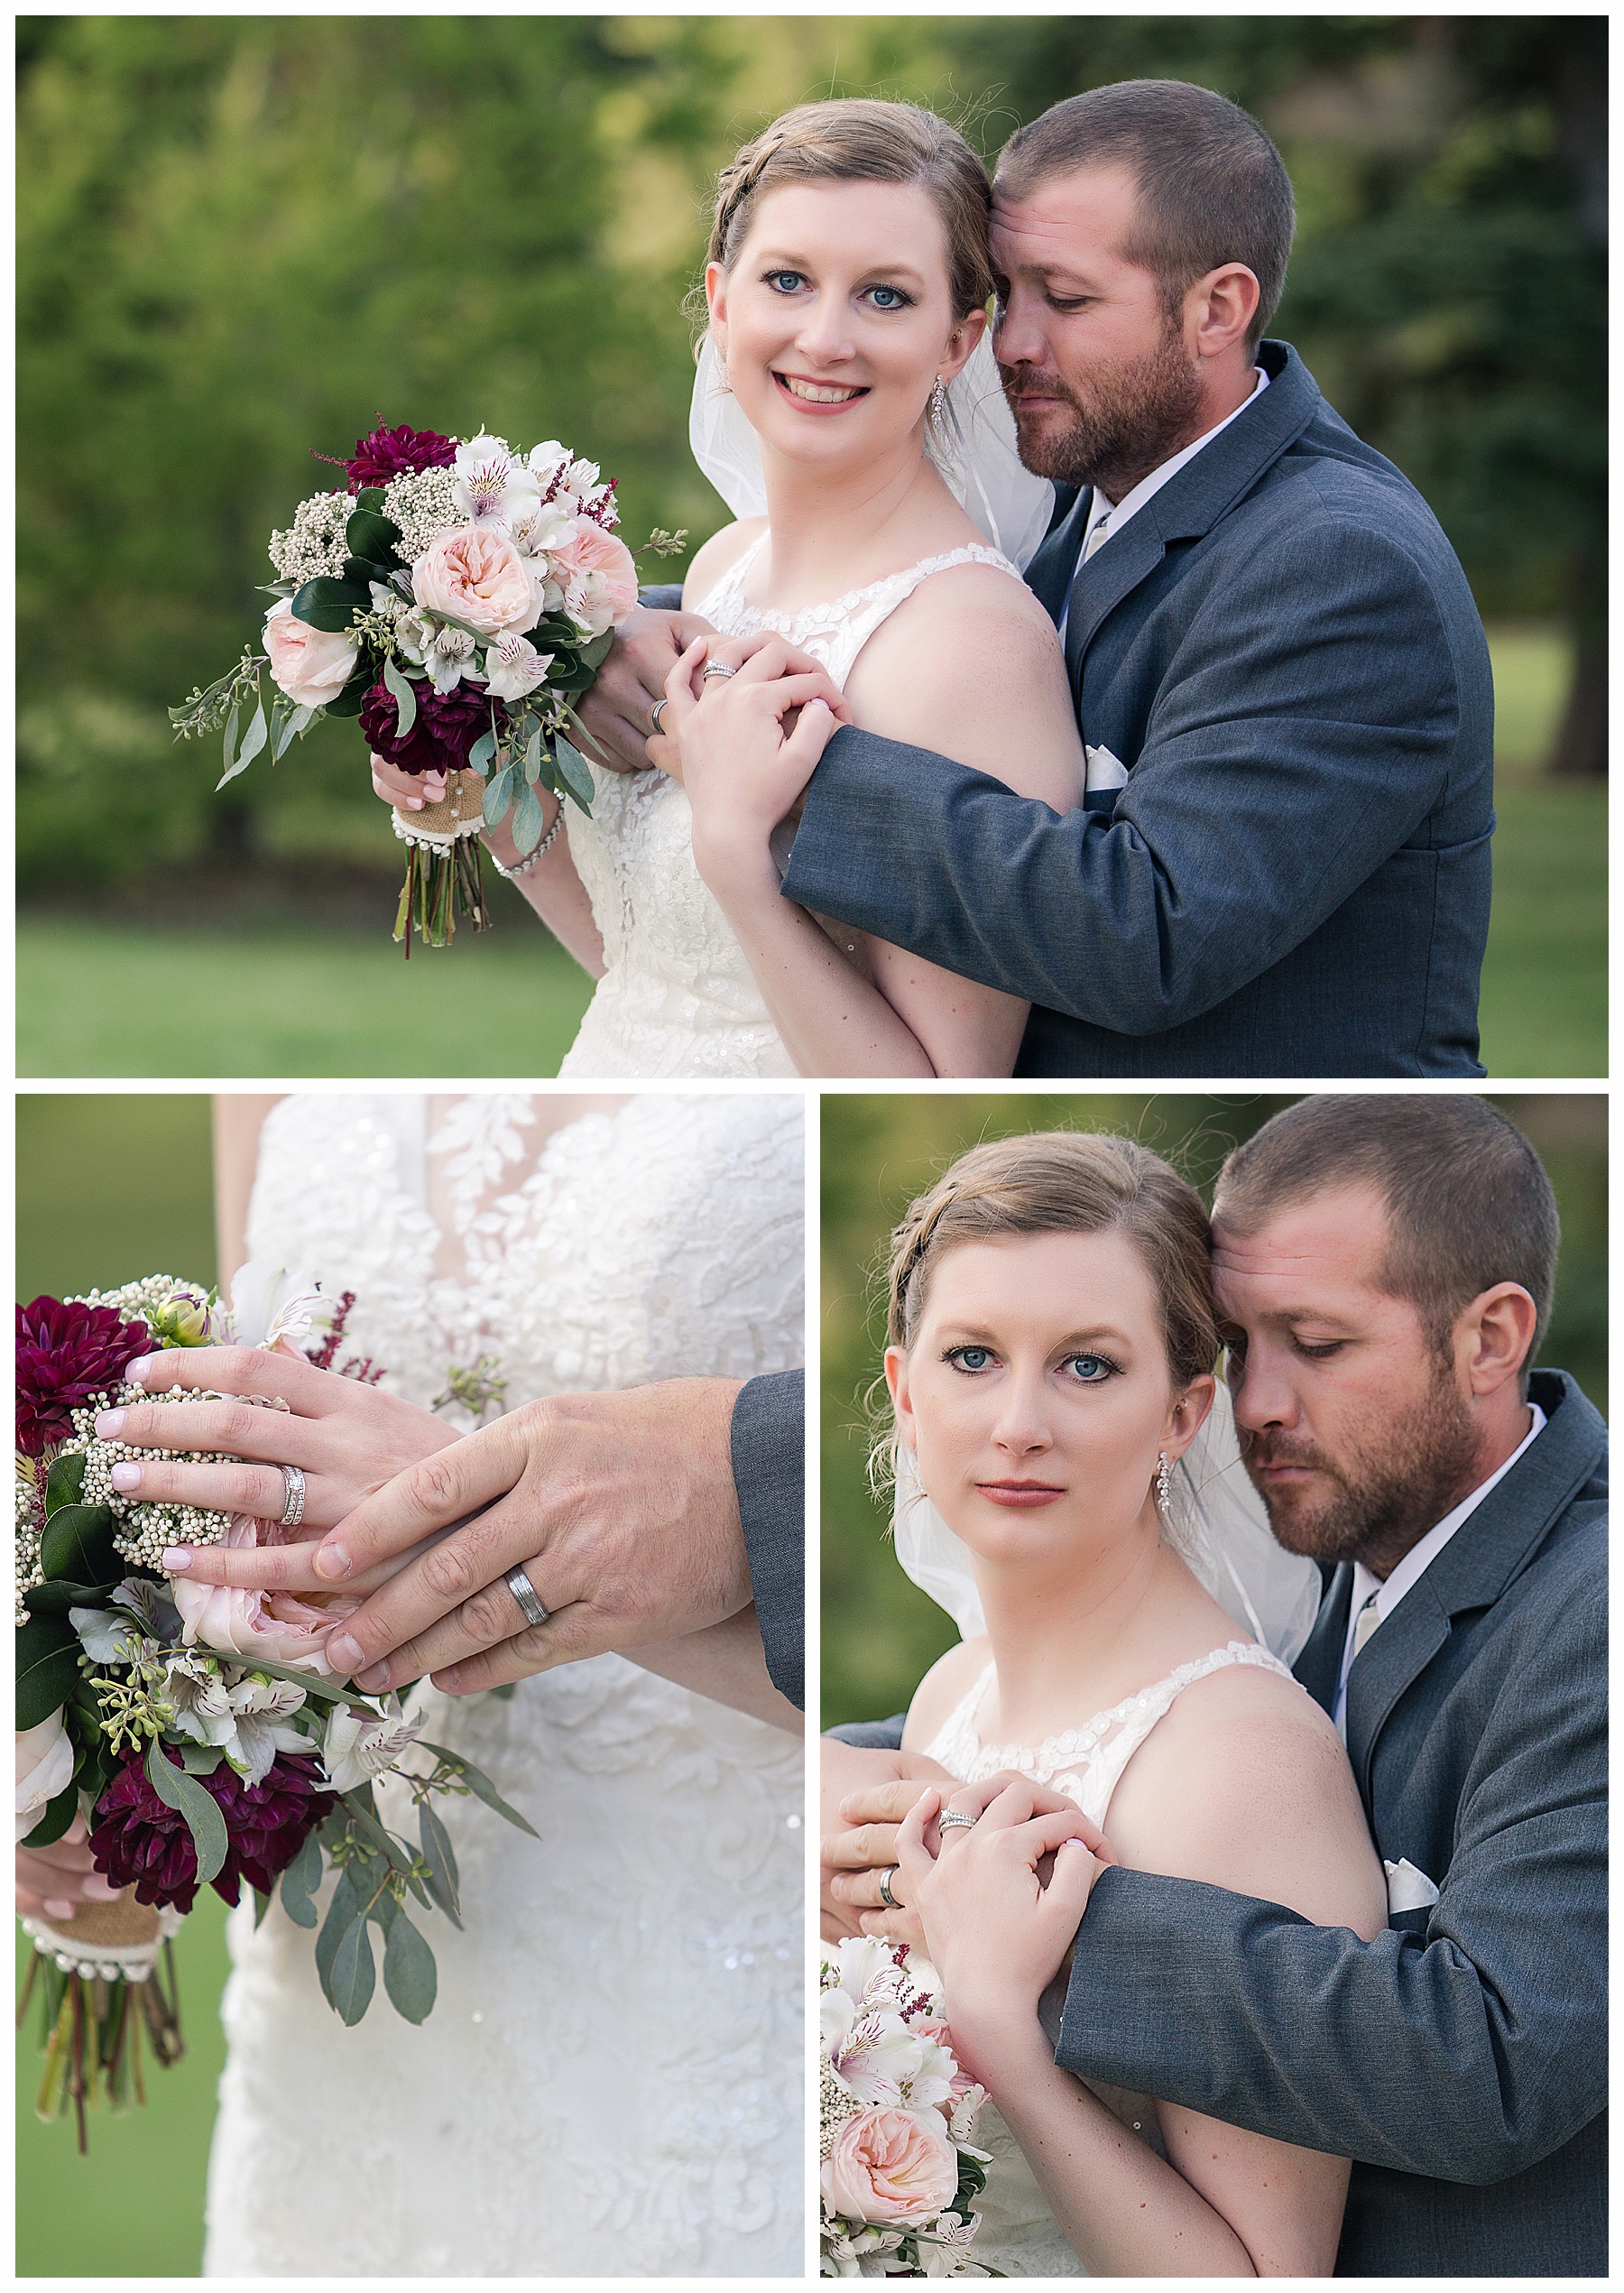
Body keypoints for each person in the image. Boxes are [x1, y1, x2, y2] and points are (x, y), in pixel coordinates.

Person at [21, 1092, 807, 2277]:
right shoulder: (267, 1064)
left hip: (697, 1969)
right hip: (338, 2005)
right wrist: (64, 1754)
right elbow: (246, 1420)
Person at [825, 1096, 1606, 2276]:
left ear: (1491, 1338)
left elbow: (1495, 2062)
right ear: (906, 1385)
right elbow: (1087, 1712)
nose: (1259, 1404)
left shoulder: (1587, 1614)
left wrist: (1032, 1919)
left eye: (1321, 1343)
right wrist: (825, 1775)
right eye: (1243, 1348)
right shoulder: (1353, 1545)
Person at [600, 80, 1494, 1078]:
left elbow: (1154, 936)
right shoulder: (1085, 485)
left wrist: (780, 751)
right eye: (1009, 291)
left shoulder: (1340, 565)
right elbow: (871, 595)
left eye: (1064, 299)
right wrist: (617, 634)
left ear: (1218, 309)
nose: (1013, 344)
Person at [374, 98, 1086, 1077]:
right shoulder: (724, 566)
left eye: (886, 296)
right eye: (788, 281)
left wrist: (737, 859)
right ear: (720, 299)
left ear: (959, 342)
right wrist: (475, 794)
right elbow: (659, 984)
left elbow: (948, 1088)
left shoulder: (967, 645)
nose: (826, 338)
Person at [828, 1128, 1387, 2273]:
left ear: (1185, 1416)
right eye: (973, 1357)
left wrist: (1005, 2040)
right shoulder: (952, 1689)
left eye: (1088, 1365)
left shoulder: (1239, 1760)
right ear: (904, 1391)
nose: (1018, 1422)